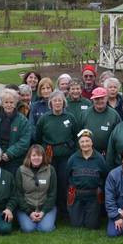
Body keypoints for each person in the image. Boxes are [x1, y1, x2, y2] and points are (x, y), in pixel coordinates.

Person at [35, 90, 80, 219]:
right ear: (50, 103)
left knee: (63, 182)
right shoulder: (44, 118)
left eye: (60, 100)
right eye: (55, 100)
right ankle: (50, 209)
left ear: (64, 102)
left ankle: (64, 211)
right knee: (49, 183)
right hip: (49, 157)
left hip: (66, 156)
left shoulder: (70, 117)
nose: (57, 103)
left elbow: (76, 136)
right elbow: (38, 137)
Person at [65, 129, 108, 229]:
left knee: (92, 225)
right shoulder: (73, 158)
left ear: (92, 142)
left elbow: (104, 176)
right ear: (79, 144)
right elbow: (67, 176)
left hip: (93, 196)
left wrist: (99, 188)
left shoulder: (100, 159)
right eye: (82, 142)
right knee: (76, 225)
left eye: (87, 141)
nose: (85, 144)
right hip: (77, 195)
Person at [0, 88, 31, 174]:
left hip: (15, 159)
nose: (9, 105)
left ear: (16, 103)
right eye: (6, 102)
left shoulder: (23, 121)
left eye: (11, 102)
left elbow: (24, 141)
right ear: (2, 103)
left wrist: (9, 154)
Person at [15, 144, 58, 233]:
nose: (36, 158)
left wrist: (43, 212)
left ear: (43, 157)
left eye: (39, 155)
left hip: (45, 207)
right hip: (27, 208)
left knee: (46, 229)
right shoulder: (20, 170)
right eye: (34, 155)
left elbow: (52, 194)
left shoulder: (50, 170)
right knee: (28, 229)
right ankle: (30, 221)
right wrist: (29, 212)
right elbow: (18, 194)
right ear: (29, 157)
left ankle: (45, 221)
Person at [80, 87, 121, 157]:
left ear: (107, 99)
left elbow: (118, 136)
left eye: (102, 98)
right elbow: (79, 133)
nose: (99, 101)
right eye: (96, 99)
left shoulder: (114, 115)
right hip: (87, 152)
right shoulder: (85, 114)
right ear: (92, 100)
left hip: (107, 153)